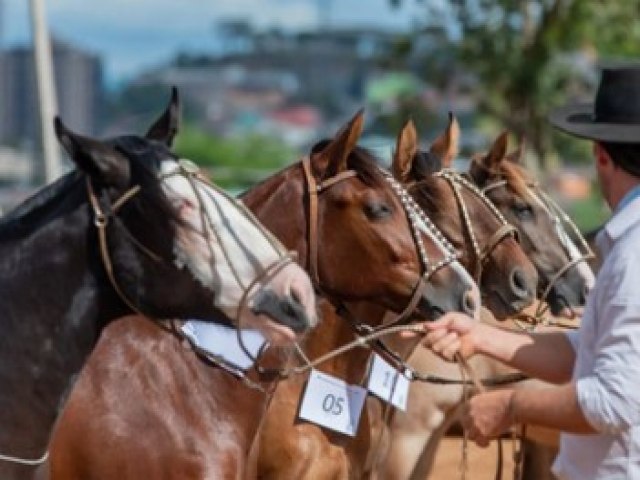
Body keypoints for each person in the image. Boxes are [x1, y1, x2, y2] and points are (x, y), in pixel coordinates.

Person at [421, 66, 640, 479]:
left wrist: (510, 406)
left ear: (602, 155)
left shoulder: (633, 257)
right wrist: (482, 336)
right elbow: (587, 353)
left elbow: (612, 402)